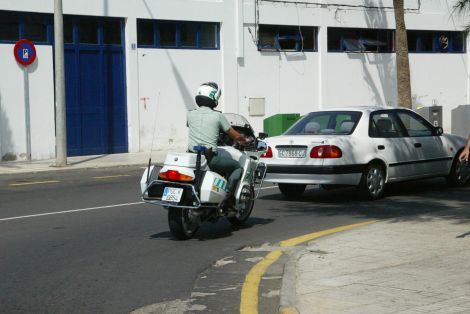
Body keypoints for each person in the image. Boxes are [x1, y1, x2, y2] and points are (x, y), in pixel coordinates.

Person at [187, 82, 249, 208]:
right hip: (209, 158)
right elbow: (234, 135)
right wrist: (246, 141)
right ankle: (228, 198)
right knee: (237, 167)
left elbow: (197, 128)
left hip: (192, 157)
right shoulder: (218, 116)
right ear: (213, 98)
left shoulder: (190, 114)